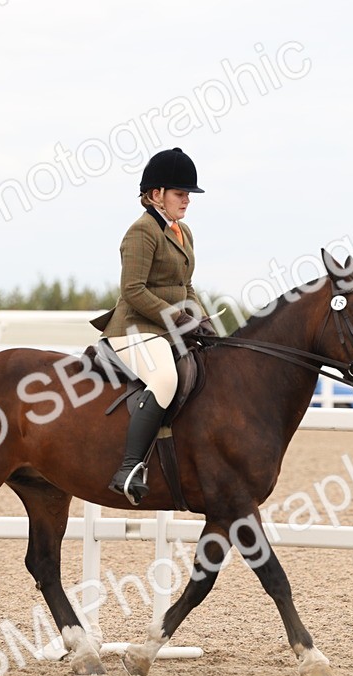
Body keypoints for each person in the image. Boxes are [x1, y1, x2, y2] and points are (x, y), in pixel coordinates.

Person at [90, 147, 215, 503]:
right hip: (134, 329)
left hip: (168, 328)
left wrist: (202, 320)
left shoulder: (182, 232)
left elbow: (185, 286)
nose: (187, 200)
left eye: (188, 194)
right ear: (156, 194)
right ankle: (129, 467)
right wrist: (177, 318)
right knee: (164, 378)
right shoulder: (141, 232)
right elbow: (132, 291)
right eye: (180, 193)